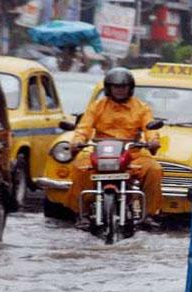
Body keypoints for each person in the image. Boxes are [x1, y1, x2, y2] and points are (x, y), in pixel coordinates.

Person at [65, 67, 164, 227]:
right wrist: (78, 141)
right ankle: (81, 212)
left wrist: (152, 141)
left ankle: (149, 213)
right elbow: (84, 128)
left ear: (130, 88)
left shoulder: (141, 107)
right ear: (108, 88)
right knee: (79, 167)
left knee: (154, 169)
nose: (119, 90)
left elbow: (150, 128)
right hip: (101, 152)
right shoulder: (97, 106)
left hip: (132, 153)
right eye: (115, 87)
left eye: (123, 87)